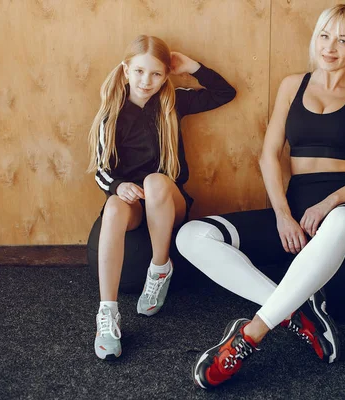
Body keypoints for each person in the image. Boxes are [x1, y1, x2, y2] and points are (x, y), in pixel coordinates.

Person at [176, 4, 345, 388]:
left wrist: (330, 202)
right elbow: (268, 155)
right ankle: (297, 315)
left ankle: (251, 334)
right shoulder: (293, 85)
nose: (331, 47)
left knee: (339, 221)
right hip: (294, 206)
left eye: (343, 40)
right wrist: (281, 214)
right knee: (190, 236)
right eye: (325, 36)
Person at [87, 34, 236, 360]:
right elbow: (100, 171)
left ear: (166, 75)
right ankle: (107, 313)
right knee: (112, 209)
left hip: (168, 200)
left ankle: (159, 268)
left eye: (156, 73)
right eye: (139, 71)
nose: (146, 81)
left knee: (155, 181)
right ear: (126, 70)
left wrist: (193, 67)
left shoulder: (173, 101)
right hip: (133, 203)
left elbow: (225, 93)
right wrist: (117, 187)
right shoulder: (111, 112)